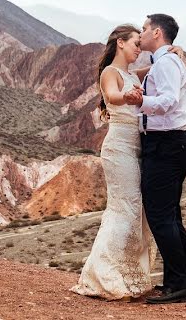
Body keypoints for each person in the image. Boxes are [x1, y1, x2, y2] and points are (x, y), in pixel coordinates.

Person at [71, 24, 157, 300]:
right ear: (120, 43)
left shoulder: (130, 74)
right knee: (124, 210)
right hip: (119, 149)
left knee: (134, 210)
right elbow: (111, 95)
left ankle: (122, 272)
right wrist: (126, 96)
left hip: (136, 148)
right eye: (135, 44)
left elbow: (146, 72)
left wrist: (168, 57)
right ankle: (104, 275)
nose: (138, 50)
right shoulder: (111, 73)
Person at [124, 13, 186, 304]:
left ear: (157, 33)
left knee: (159, 215)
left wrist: (139, 101)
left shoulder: (167, 63)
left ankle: (179, 285)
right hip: (170, 144)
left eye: (144, 29)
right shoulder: (165, 61)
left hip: (166, 145)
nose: (141, 33)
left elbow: (167, 102)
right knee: (170, 215)